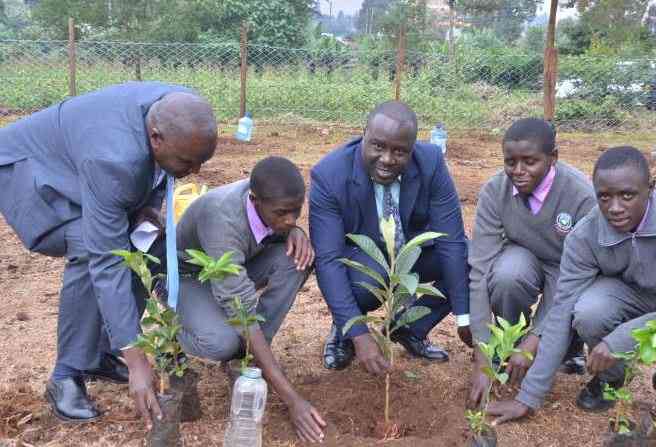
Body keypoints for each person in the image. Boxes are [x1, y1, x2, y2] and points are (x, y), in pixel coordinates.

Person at [0, 82, 217, 426]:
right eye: (187, 162)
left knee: (140, 243)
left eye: (202, 161)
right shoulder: (114, 160)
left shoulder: (182, 108)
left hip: (83, 160)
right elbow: (107, 261)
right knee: (90, 249)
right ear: (156, 138)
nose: (196, 172)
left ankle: (99, 353)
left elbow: (155, 175)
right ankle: (66, 375)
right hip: (32, 170)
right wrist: (136, 360)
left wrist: (145, 208)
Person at [489, 146, 656, 434]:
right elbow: (561, 309)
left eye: (627, 195)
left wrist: (622, 339)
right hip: (629, 296)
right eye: (604, 196)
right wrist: (528, 397)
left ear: (650, 188)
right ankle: (613, 377)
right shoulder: (585, 235)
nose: (615, 207)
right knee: (587, 311)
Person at [309, 101, 472, 375]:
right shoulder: (329, 176)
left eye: (399, 151)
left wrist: (464, 315)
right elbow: (328, 260)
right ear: (364, 135)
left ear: (412, 148)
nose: (387, 159)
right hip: (363, 259)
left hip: (411, 251)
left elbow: (451, 239)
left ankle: (410, 327)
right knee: (367, 281)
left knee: (471, 258)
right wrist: (360, 335)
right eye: (378, 146)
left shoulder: (430, 162)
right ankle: (345, 329)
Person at [175, 156, 326, 443]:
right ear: (254, 200)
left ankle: (251, 356)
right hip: (189, 277)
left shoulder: (271, 199)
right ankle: (177, 329)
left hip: (236, 264)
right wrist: (293, 400)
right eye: (282, 213)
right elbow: (240, 305)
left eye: (296, 211)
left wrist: (296, 231)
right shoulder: (222, 219)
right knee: (222, 342)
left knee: (298, 260)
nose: (290, 218)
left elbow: (284, 222)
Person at [467, 118, 596, 409]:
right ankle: (505, 347)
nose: (518, 171)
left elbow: (574, 278)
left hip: (568, 270)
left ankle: (567, 345)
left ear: (554, 158)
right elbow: (479, 271)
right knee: (506, 276)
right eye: (510, 162)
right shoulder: (495, 191)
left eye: (530, 162)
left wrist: (536, 339)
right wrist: (482, 352)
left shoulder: (580, 196)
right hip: (523, 257)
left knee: (582, 304)